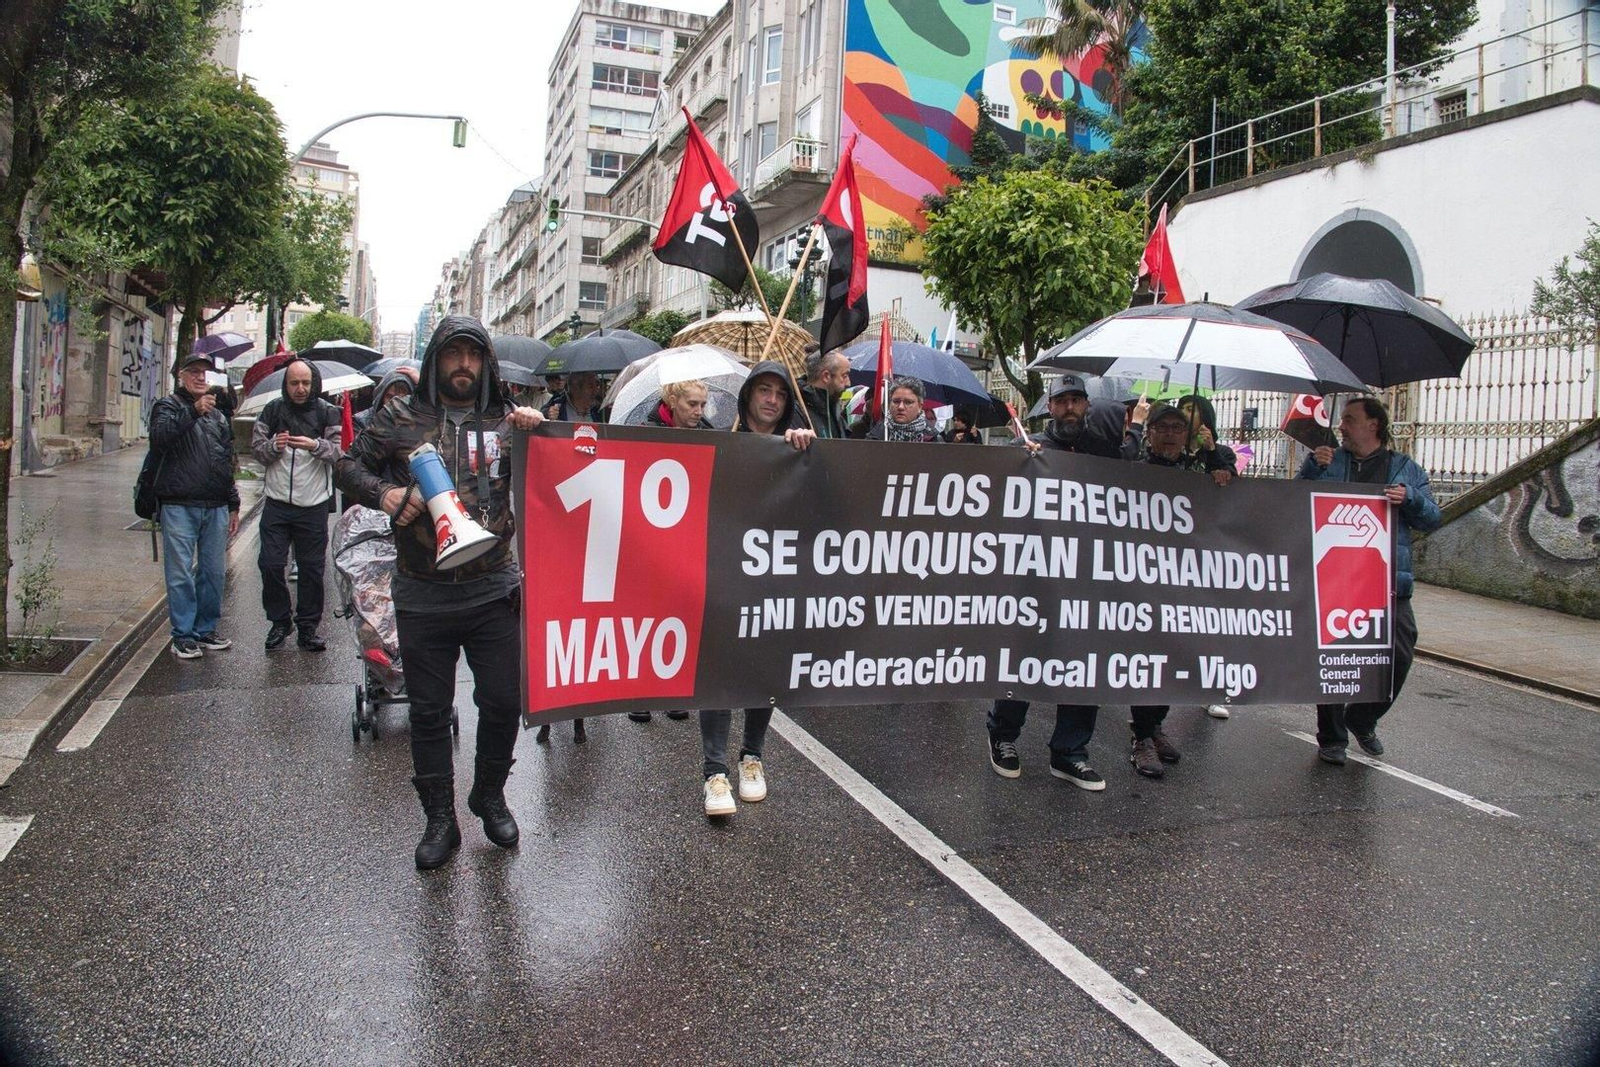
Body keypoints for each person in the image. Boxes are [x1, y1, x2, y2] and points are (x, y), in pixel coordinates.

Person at [335, 315, 546, 870]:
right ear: (435, 360)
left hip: (493, 586)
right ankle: (439, 818)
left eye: (474, 356)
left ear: (487, 363)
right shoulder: (401, 416)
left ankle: (489, 793)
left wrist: (540, 430)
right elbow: (347, 465)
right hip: (423, 591)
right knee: (429, 712)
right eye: (453, 354)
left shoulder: (507, 418)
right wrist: (383, 494)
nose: (464, 365)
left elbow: (565, 470)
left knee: (503, 700)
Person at [988, 374, 1146, 790]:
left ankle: (1070, 753)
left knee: (1083, 664)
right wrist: (1020, 461)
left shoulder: (1102, 451)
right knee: (1022, 658)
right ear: (1050, 407)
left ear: (1087, 407)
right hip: (1035, 580)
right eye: (1063, 401)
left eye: (1078, 400)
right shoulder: (1030, 447)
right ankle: (1003, 736)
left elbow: (1135, 481)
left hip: (1087, 583)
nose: (1071, 407)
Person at [1298, 394, 1440, 765]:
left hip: (1388, 582)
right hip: (1335, 580)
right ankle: (1331, 737)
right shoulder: (1328, 461)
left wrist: (1410, 500)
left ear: (1373, 424)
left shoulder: (1406, 469)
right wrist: (1312, 469)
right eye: (1342, 419)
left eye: (1349, 419)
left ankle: (1361, 717)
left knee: (1401, 651)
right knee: (1333, 659)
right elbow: (1296, 502)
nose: (1341, 426)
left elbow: (1432, 519)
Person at [701, 362, 815, 817]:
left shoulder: (797, 443)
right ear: (748, 395)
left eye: (780, 394)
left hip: (774, 576)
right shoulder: (717, 435)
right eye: (763, 390)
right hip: (724, 570)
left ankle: (752, 757)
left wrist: (804, 450)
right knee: (719, 671)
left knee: (762, 667)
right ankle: (714, 772)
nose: (771, 400)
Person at [1125, 401, 1238, 777]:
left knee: (1174, 659)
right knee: (1148, 659)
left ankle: (1155, 726)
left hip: (1184, 584)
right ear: (1151, 434)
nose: (1170, 434)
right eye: (1163, 428)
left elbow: (1231, 485)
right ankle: (1141, 736)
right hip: (1142, 584)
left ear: (1187, 435)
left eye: (1178, 428)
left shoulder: (1197, 472)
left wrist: (1216, 462)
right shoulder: (1133, 472)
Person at [149, 353, 241, 659]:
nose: (201, 378)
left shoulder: (217, 415)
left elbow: (224, 460)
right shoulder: (168, 406)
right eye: (194, 372)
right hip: (179, 503)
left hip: (214, 504)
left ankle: (205, 629)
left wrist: (233, 502)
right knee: (180, 573)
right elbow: (160, 439)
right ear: (180, 376)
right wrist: (192, 411)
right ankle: (183, 634)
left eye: (205, 373)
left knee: (214, 572)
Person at [250, 359, 342, 652]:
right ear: (286, 384)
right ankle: (280, 621)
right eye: (294, 383)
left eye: (305, 383)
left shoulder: (328, 412)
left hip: (313, 504)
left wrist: (315, 446)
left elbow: (339, 453)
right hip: (277, 503)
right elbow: (257, 450)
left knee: (312, 570)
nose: (300, 389)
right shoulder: (273, 410)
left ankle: (308, 628)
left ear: (314, 383)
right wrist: (273, 447)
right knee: (271, 564)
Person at [865, 376, 942, 442]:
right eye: (896, 401)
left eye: (908, 402)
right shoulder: (875, 437)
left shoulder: (934, 439)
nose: (900, 407)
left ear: (920, 406)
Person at [800, 346, 850, 438]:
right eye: (844, 375)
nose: (848, 383)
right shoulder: (798, 411)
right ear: (826, 376)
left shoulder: (834, 409)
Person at [354, 364, 419, 431]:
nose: (395, 404)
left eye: (401, 399)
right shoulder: (361, 422)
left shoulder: (415, 424)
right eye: (390, 397)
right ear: (381, 396)